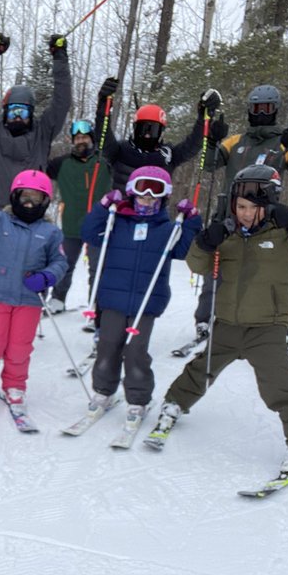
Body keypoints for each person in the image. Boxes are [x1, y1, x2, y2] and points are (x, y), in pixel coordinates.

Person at [152, 165, 288, 473]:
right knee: (202, 367)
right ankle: (174, 403)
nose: (246, 213)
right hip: (227, 323)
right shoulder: (227, 234)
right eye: (240, 206)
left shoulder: (285, 234)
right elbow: (196, 265)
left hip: (267, 326)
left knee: (278, 387)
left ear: (270, 205)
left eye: (254, 207)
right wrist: (205, 241)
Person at [190, 84, 288, 342]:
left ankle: (248, 323)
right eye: (255, 108)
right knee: (217, 271)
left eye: (266, 108)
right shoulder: (237, 141)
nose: (260, 113)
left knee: (255, 274)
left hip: (263, 222)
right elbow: (207, 166)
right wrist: (211, 140)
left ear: (275, 110)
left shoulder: (283, 142)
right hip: (228, 216)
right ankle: (205, 319)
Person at [80, 167, 201, 423]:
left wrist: (191, 221)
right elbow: (90, 234)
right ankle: (104, 391)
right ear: (132, 194)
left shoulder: (167, 229)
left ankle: (138, 399)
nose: (146, 200)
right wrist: (103, 207)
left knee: (135, 351)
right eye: (141, 194)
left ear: (162, 198)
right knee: (108, 346)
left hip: (146, 302)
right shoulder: (117, 222)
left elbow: (181, 251)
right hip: (113, 299)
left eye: (153, 196)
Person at [0, 168, 67, 412]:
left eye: (36, 198)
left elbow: (60, 262)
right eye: (25, 197)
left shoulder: (51, 232)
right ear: (14, 197)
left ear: (45, 202)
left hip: (29, 299)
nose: (29, 204)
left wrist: (46, 276)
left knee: (20, 347)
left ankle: (14, 385)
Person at [0, 32, 72, 212]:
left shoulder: (42, 133)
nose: (17, 116)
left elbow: (62, 101)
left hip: (29, 215)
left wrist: (60, 58)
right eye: (13, 110)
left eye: (22, 111)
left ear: (31, 113)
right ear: (5, 111)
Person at [94, 78, 219, 188]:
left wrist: (204, 117)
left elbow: (193, 145)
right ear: (135, 128)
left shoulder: (168, 156)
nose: (147, 135)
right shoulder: (120, 151)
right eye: (143, 129)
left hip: (155, 212)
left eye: (153, 130)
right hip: (122, 210)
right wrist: (103, 105)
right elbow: (102, 137)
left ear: (161, 132)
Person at [45, 119, 113, 313]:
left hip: (98, 225)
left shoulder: (104, 162)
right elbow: (38, 166)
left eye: (84, 137)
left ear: (92, 139)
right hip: (71, 225)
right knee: (64, 264)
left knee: (97, 268)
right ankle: (58, 298)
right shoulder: (62, 163)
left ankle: (96, 304)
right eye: (77, 138)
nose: (81, 141)